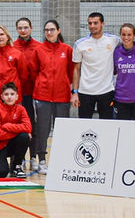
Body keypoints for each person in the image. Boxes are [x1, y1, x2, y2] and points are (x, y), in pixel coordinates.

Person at [32, 19, 72, 175]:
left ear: (58, 31)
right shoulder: (39, 49)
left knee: (62, 130)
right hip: (42, 96)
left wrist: (70, 89)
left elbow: (70, 71)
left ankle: (62, 160)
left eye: (52, 29)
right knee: (43, 129)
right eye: (47, 30)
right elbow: (35, 71)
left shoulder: (67, 50)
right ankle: (42, 160)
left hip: (62, 97)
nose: (49, 32)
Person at [72, 12, 117, 120]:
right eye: (90, 23)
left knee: (107, 125)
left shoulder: (114, 40)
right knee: (84, 125)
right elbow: (76, 70)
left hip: (106, 91)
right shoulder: (80, 44)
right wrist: (75, 92)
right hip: (85, 91)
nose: (92, 26)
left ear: (103, 24)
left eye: (95, 23)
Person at [13, 17, 43, 170]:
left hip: (35, 93)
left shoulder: (39, 47)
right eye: (20, 28)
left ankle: (33, 157)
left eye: (26, 27)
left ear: (31, 28)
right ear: (17, 29)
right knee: (19, 126)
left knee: (33, 126)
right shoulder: (12, 47)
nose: (23, 30)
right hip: (17, 95)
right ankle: (21, 158)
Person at [0, 83, 31, 178]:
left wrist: (7, 126)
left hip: (13, 144)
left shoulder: (21, 109)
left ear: (17, 96)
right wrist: (17, 131)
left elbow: (28, 127)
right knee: (1, 173)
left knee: (24, 137)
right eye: (6, 94)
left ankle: (16, 166)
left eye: (12, 94)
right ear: (2, 97)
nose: (9, 97)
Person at [114, 23, 135, 120]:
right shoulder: (116, 52)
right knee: (122, 131)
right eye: (123, 34)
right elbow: (113, 71)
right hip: (121, 99)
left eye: (129, 35)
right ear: (120, 35)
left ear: (134, 35)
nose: (126, 37)